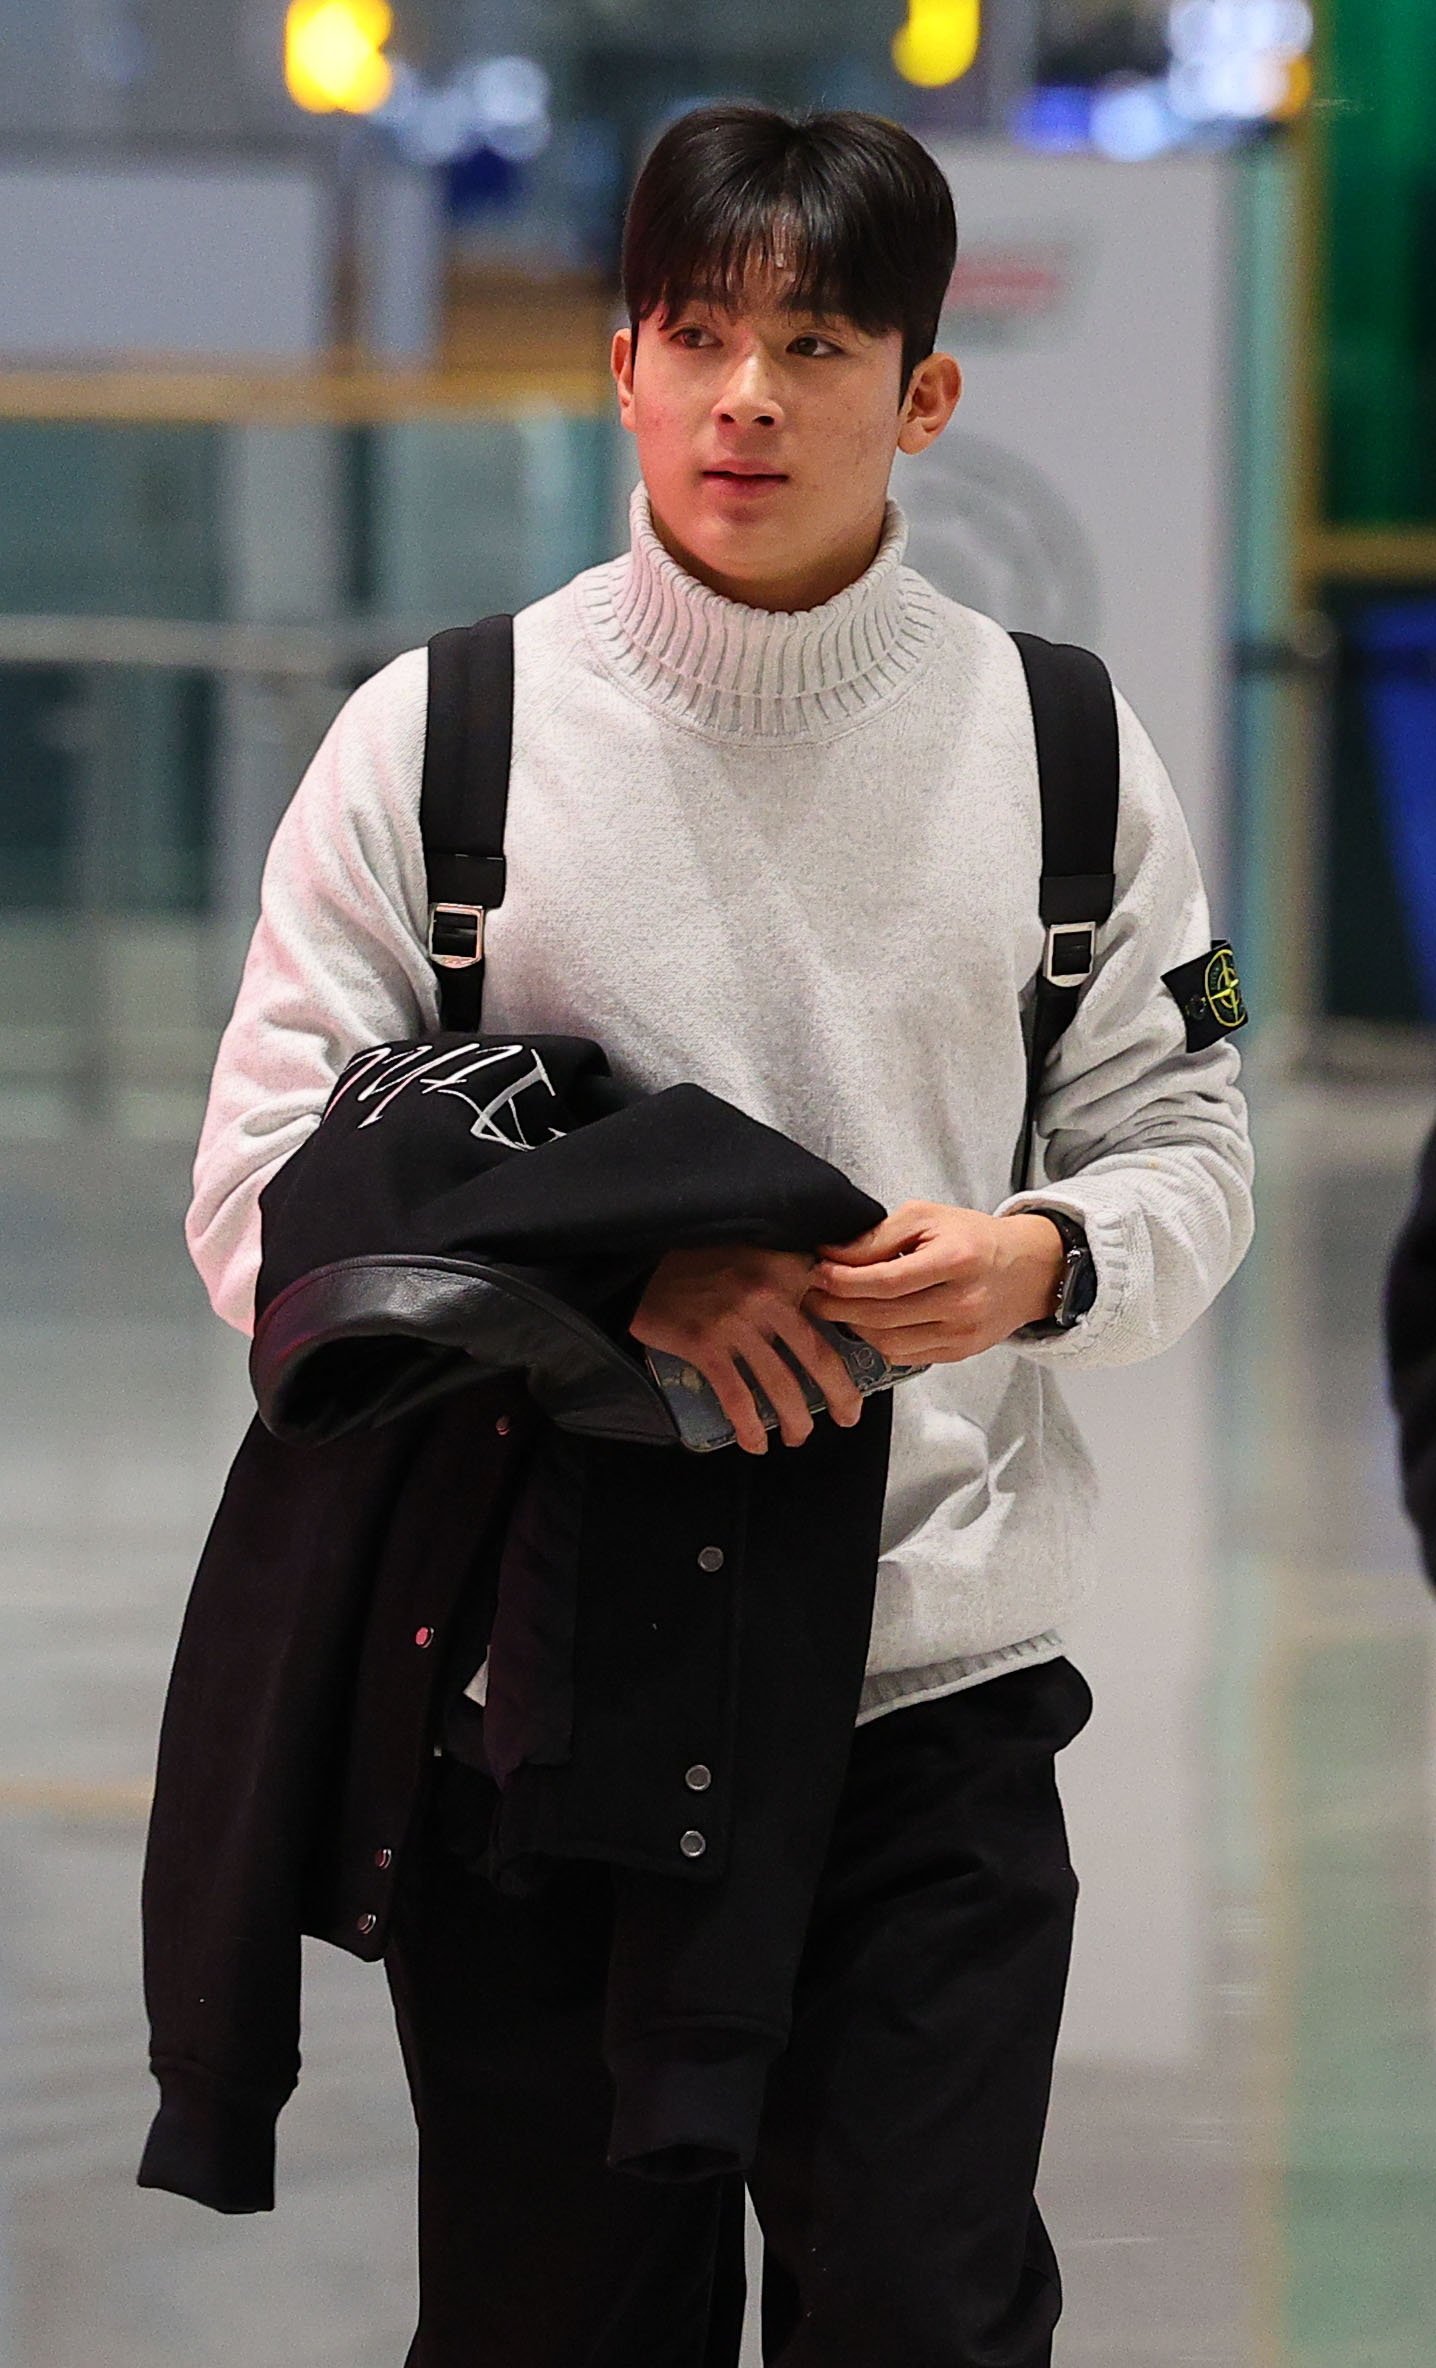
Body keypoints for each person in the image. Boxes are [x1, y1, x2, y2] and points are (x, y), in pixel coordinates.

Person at [185, 102, 1255, 2368]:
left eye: (812, 340)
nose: (744, 395)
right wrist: (603, 1301)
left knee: (916, 2313)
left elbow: (1186, 1135)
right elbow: (261, 1192)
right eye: (696, 334)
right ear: (624, 363)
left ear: (925, 393)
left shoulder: (1062, 749)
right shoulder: (442, 741)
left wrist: (1040, 1261)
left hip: (925, 1703)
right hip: (537, 1703)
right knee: (552, 2324)